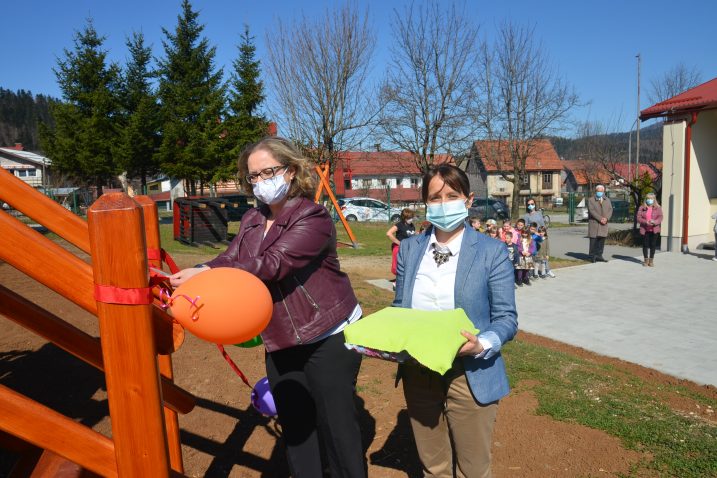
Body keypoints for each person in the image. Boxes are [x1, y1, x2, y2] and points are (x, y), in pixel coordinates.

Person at [170, 137, 366, 478]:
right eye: (254, 176)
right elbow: (231, 258)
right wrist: (201, 270)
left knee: (338, 430)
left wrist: (214, 273)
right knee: (296, 427)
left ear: (290, 171)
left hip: (327, 335)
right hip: (281, 339)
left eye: (268, 172)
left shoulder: (313, 216)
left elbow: (273, 263)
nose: (260, 182)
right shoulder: (252, 219)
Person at [392, 164, 518, 478]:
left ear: (468, 199)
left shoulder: (492, 251)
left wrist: (481, 345)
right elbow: (400, 307)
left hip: (469, 372)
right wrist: (388, 339)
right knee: (433, 466)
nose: (443, 203)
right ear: (425, 204)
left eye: (451, 195)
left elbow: (506, 319)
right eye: (435, 197)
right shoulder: (409, 249)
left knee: (473, 469)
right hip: (419, 369)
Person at [636, 192, 663, 267]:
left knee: (653, 245)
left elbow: (660, 217)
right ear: (646, 199)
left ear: (654, 199)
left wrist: (655, 222)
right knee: (645, 245)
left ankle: (651, 260)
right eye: (648, 198)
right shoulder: (642, 208)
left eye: (651, 198)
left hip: (654, 230)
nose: (649, 200)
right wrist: (645, 222)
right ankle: (646, 260)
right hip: (645, 229)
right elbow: (638, 218)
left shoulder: (658, 208)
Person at [387, 208, 416, 277]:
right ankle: (397, 281)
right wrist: (399, 243)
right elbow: (389, 233)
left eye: (412, 217)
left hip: (408, 248)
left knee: (407, 265)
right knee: (398, 265)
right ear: (404, 218)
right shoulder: (399, 225)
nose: (411, 219)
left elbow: (412, 235)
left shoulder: (412, 226)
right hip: (398, 248)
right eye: (409, 218)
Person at [587, 185, 613, 262]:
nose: (600, 192)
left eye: (601, 191)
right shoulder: (591, 200)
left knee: (601, 241)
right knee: (593, 241)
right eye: (598, 191)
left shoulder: (607, 200)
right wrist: (600, 218)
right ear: (596, 191)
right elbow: (592, 211)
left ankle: (599, 256)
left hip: (604, 223)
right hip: (594, 223)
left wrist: (606, 218)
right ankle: (592, 256)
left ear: (603, 191)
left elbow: (610, 210)